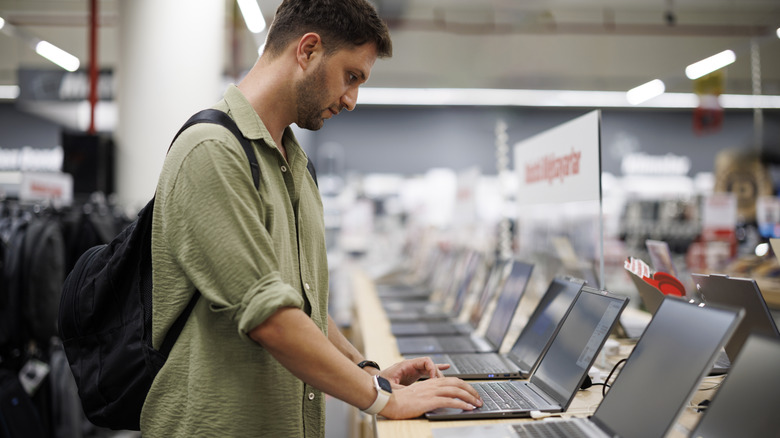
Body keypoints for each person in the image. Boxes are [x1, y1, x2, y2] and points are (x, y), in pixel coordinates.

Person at [143, 0, 482, 436]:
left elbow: (303, 308)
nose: (352, 100)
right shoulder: (212, 152)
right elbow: (272, 318)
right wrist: (384, 399)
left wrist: (368, 370)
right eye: (351, 76)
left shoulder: (296, 166)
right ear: (307, 51)